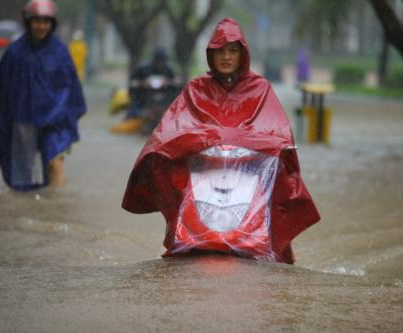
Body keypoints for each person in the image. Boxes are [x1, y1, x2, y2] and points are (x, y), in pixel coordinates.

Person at [121, 17, 320, 264]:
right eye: (220, 51)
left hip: (250, 178)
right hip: (202, 176)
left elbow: (278, 135)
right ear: (210, 55)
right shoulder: (196, 88)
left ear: (242, 54)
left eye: (233, 51)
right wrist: (200, 143)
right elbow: (170, 133)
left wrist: (245, 143)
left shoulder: (260, 89)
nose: (226, 57)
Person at [0, 0, 86, 191]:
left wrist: (60, 112)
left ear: (52, 23)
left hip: (54, 120)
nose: (41, 26)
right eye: (37, 21)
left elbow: (70, 86)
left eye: (46, 21)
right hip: (23, 120)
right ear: (28, 22)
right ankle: (27, 208)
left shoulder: (59, 52)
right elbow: (2, 90)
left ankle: (56, 208)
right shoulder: (15, 53)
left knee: (55, 163)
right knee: (22, 173)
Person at [111, 48, 176, 134]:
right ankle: (136, 117)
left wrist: (168, 82)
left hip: (163, 99)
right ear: (154, 60)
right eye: (158, 62)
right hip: (143, 99)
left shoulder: (169, 69)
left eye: (162, 62)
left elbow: (177, 83)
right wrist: (143, 83)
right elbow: (132, 84)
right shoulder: (142, 69)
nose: (160, 64)